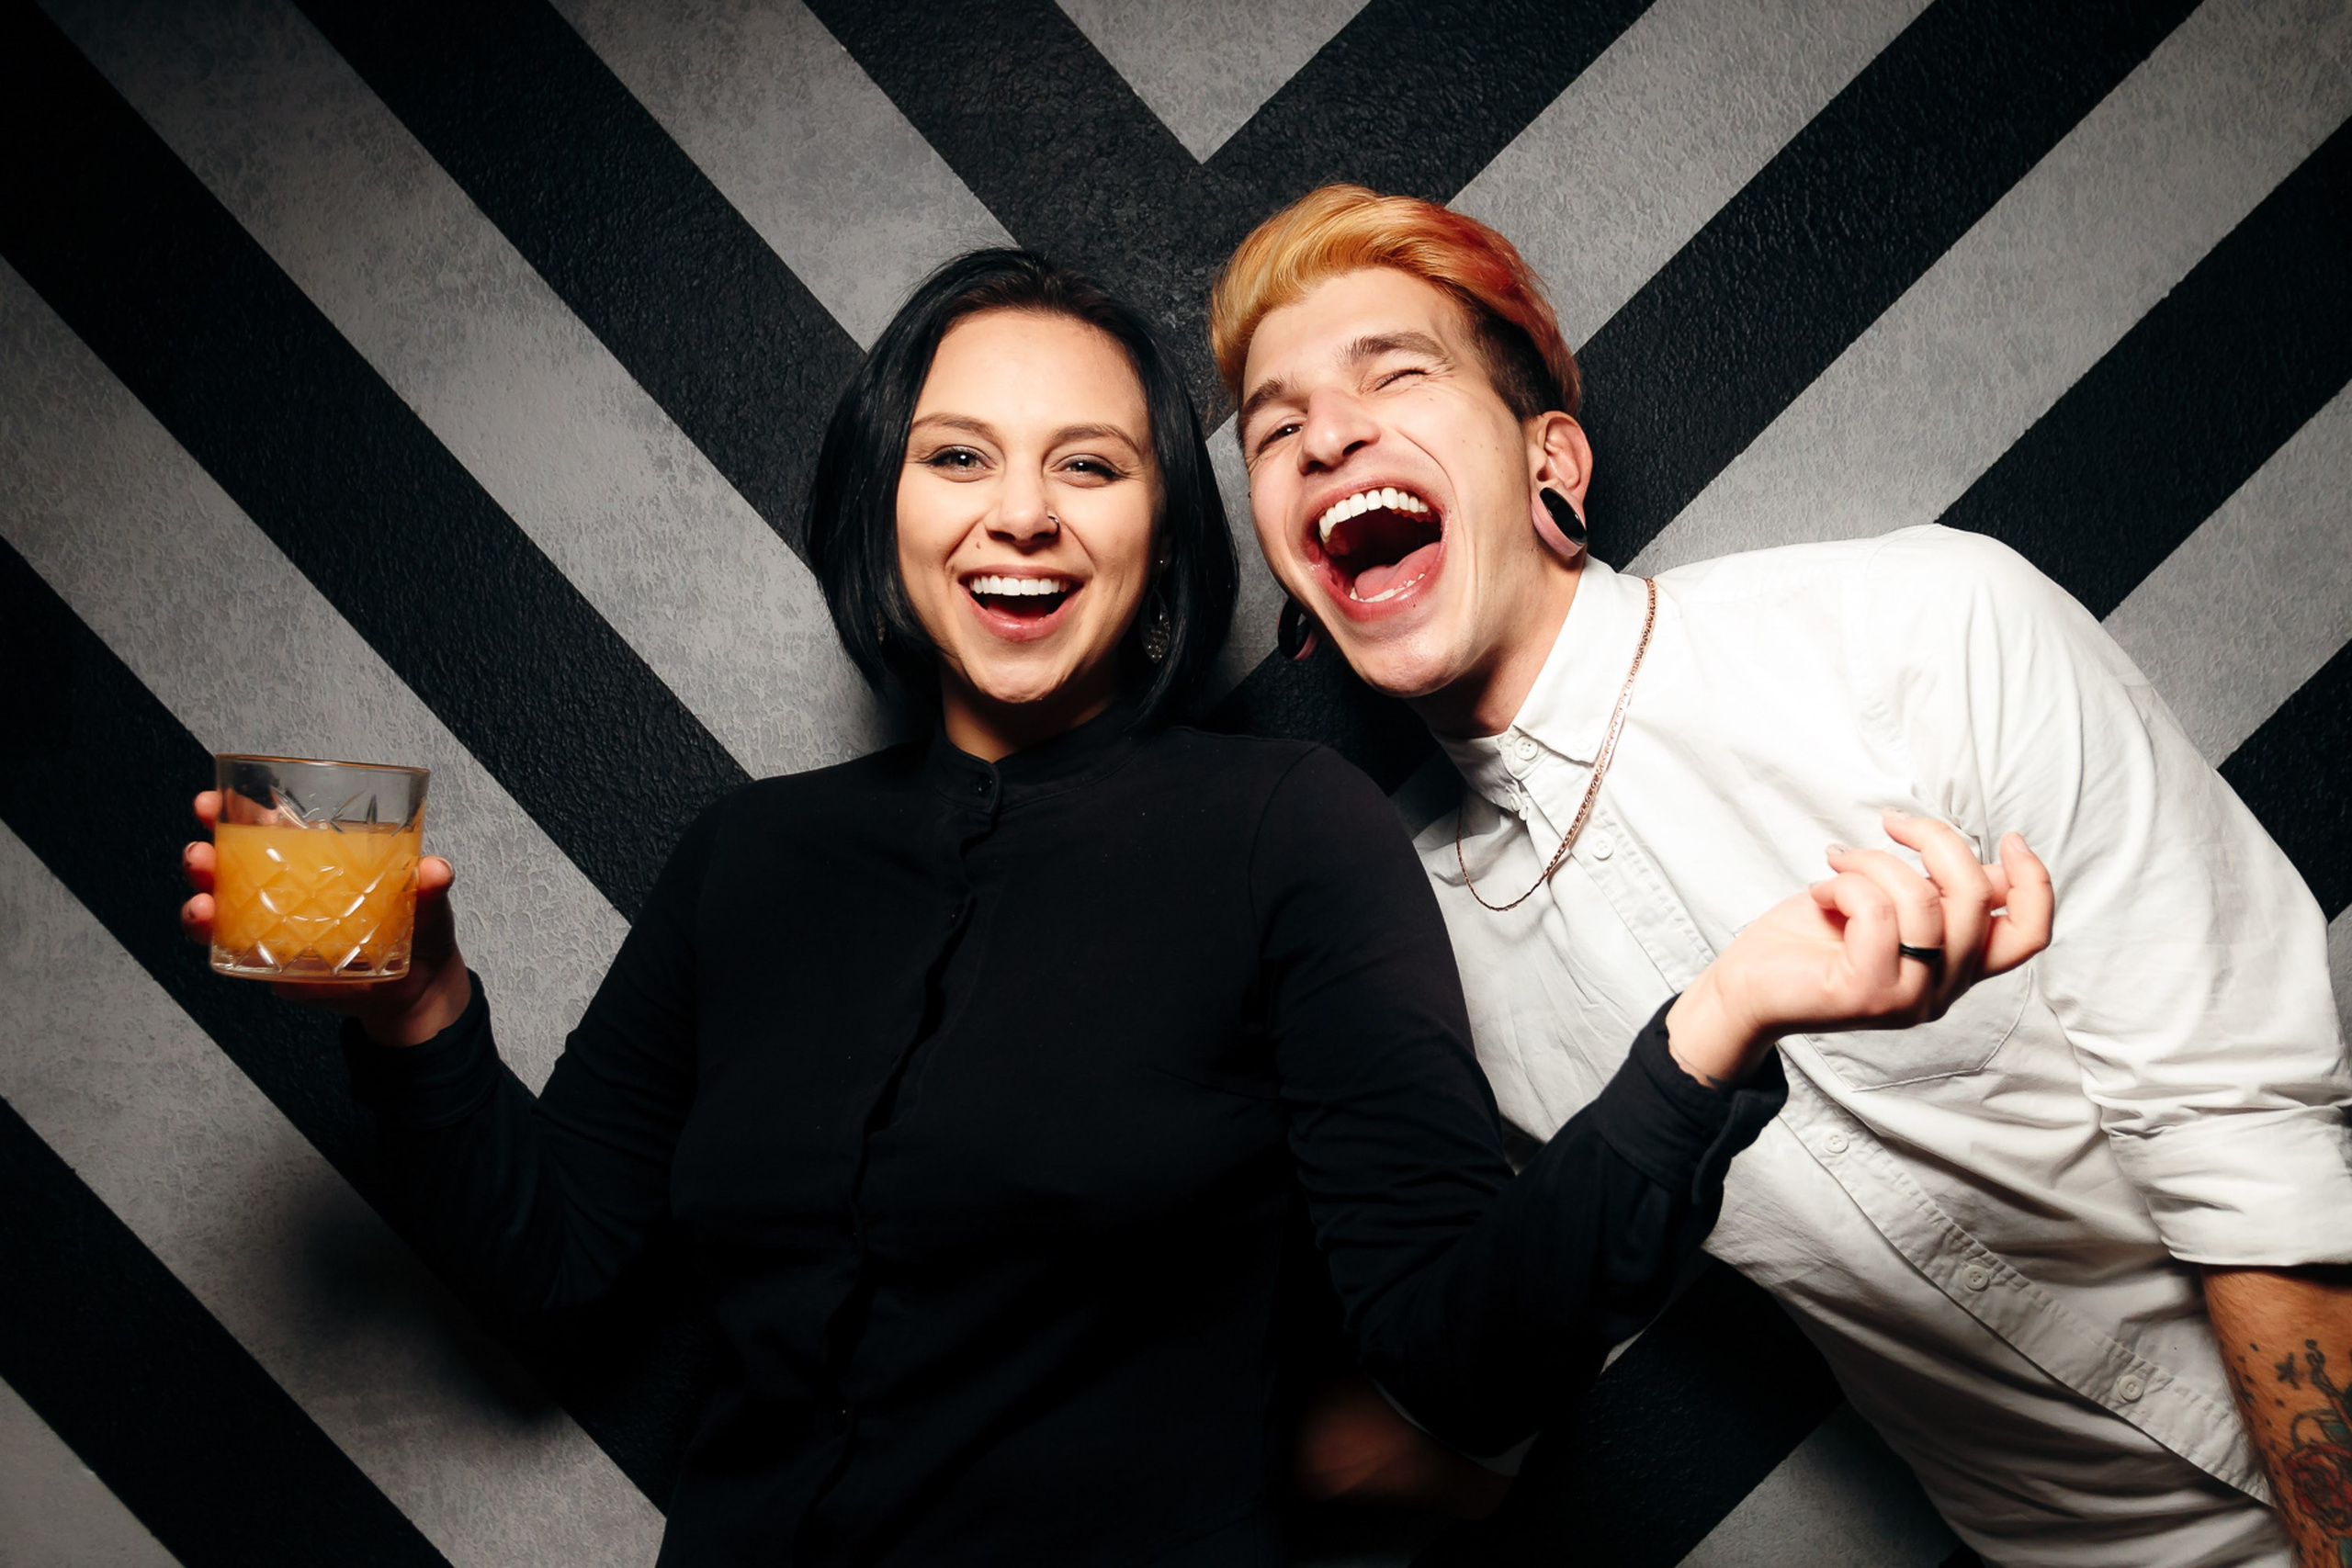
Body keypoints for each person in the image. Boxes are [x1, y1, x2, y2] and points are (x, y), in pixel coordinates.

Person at [177, 250, 2041, 1567]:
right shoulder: (747, 861)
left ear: (1161, 530)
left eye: (1093, 463)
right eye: (957, 454)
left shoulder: (1287, 829)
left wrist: (1712, 1027)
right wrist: (414, 1012)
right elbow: (557, 1269)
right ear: (880, 507)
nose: (1022, 516)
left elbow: (1462, 1344)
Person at [1213, 185, 2352, 1567]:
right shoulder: (1416, 960)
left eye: (1397, 371)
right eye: (1276, 429)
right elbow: (1464, 1404)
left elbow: (2249, 1149)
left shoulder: (1922, 625)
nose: (1328, 433)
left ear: (1547, 459)